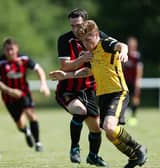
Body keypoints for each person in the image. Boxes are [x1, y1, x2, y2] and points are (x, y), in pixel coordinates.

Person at [49, 20, 147, 168]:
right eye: (83, 42)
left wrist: (124, 52)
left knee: (109, 126)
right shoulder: (90, 53)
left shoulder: (105, 44)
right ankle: (133, 157)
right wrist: (66, 75)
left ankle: (139, 148)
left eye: (88, 40)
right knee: (109, 133)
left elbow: (122, 45)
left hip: (118, 92)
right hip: (103, 95)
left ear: (96, 35)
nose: (86, 44)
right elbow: (87, 71)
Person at [53, 8, 108, 167]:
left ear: (86, 22)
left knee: (96, 129)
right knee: (80, 111)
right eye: (72, 26)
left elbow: (115, 45)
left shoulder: (97, 36)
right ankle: (74, 148)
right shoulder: (65, 40)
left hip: (89, 89)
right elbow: (64, 67)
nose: (75, 29)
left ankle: (93, 156)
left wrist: (122, 48)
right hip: (67, 89)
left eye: (78, 25)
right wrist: (81, 59)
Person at [0, 37, 50, 152]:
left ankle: (38, 143)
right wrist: (10, 91)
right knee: (20, 124)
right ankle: (26, 131)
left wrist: (44, 84)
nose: (10, 52)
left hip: (24, 93)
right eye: (7, 50)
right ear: (3, 50)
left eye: (12, 49)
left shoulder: (24, 59)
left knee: (31, 115)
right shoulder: (0, 62)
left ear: (16, 49)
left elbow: (38, 70)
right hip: (8, 97)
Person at [123, 37, 144, 126]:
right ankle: (121, 116)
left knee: (135, 98)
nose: (131, 45)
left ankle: (133, 116)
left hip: (133, 81)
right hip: (124, 81)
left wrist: (137, 82)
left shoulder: (137, 56)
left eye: (132, 44)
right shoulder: (124, 54)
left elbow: (139, 69)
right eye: (130, 44)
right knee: (123, 98)